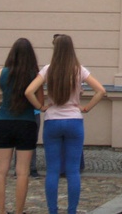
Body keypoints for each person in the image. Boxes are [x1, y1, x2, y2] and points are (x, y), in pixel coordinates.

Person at [25, 34, 106, 214]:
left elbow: (29, 91)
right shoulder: (79, 70)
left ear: (55, 49)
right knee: (73, 171)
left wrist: (40, 107)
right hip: (74, 121)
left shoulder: (48, 69)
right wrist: (86, 108)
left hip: (52, 120)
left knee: (52, 170)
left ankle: (52, 210)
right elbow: (101, 90)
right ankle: (71, 211)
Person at [0, 37, 44, 214]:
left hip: (4, 123)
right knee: (23, 172)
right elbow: (39, 103)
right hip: (26, 124)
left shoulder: (1, 73)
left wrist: (2, 104)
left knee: (1, 170)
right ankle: (19, 211)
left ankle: (2, 211)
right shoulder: (35, 75)